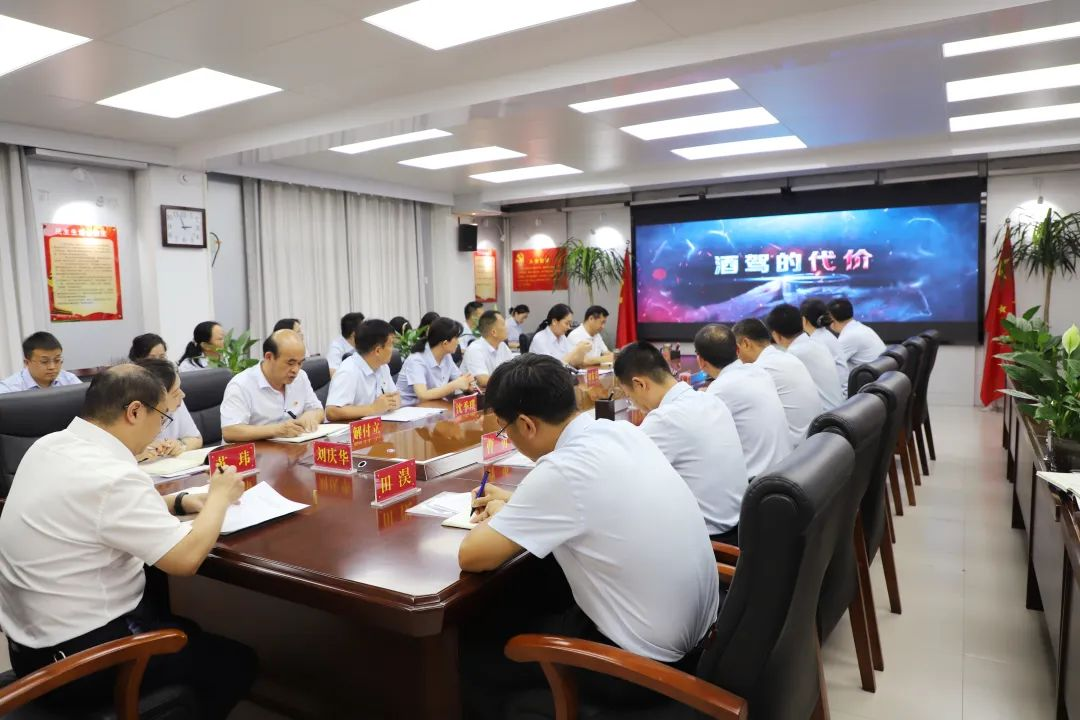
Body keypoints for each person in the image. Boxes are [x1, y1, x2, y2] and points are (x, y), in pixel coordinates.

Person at [458, 355, 718, 717]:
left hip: (642, 668)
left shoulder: (562, 469)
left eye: (506, 430)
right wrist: (516, 507)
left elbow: (472, 555)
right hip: (698, 639)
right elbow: (589, 501)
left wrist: (502, 516)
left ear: (527, 425)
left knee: (472, 654)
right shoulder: (619, 432)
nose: (510, 439)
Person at [0, 364, 255, 719]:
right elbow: (185, 559)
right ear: (135, 411)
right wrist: (219, 497)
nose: (160, 429)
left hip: (29, 651)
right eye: (162, 418)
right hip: (82, 663)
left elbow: (96, 513)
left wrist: (180, 501)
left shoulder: (49, 446)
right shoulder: (113, 475)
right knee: (236, 662)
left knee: (187, 630)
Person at [614, 342, 747, 543]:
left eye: (629, 395)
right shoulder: (710, 400)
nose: (633, 403)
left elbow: (622, 475)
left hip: (711, 540)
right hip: (739, 525)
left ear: (640, 384)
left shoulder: (665, 419)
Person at [693, 324, 792, 479]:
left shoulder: (720, 388)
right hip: (786, 468)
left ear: (700, 361)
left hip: (758, 482)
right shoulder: (759, 372)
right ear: (738, 350)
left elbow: (699, 438)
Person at [732, 318, 822, 448]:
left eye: (737, 349)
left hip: (797, 448)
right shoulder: (787, 356)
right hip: (815, 440)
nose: (737, 356)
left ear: (746, 343)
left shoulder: (761, 368)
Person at [221, 329, 324, 442]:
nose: (296, 370)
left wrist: (311, 416)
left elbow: (318, 410)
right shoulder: (241, 385)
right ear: (269, 357)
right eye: (290, 363)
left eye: (300, 363)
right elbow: (230, 431)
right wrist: (276, 430)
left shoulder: (301, 377)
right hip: (256, 450)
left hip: (293, 448)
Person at [767, 303, 844, 410]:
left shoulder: (792, 355)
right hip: (839, 410)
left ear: (776, 335)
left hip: (825, 417)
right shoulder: (818, 344)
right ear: (802, 322)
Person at [325, 320, 401, 421]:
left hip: (377, 424)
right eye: (391, 344)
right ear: (378, 351)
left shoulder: (383, 367)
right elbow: (332, 411)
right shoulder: (348, 370)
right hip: (349, 429)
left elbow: (396, 396)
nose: (393, 349)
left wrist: (392, 402)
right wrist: (373, 408)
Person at [131, 359, 202, 462]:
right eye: (175, 393)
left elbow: (197, 439)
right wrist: (137, 455)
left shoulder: (177, 404)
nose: (183, 395)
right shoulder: (127, 418)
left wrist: (180, 445)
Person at [395, 317, 474, 406]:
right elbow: (423, 395)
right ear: (445, 343)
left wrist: (467, 384)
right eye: (456, 338)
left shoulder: (446, 356)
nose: (458, 342)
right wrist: (455, 385)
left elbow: (459, 378)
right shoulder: (416, 361)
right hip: (409, 409)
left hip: (434, 406)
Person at [0, 332, 81, 394]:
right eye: (44, 362)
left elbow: (86, 406)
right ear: (27, 363)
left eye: (57, 360)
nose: (52, 367)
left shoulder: (69, 380)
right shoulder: (9, 389)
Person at [800, 298, 849, 393]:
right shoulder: (826, 336)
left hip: (837, 394)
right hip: (842, 392)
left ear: (804, 320)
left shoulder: (815, 342)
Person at [828, 297, 887, 372]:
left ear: (831, 318)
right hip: (880, 374)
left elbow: (829, 365)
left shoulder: (849, 336)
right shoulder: (860, 328)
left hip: (869, 377)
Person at [461, 310, 514, 388]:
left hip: (497, 390)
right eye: (503, 324)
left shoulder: (502, 345)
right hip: (472, 394)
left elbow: (513, 369)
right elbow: (483, 381)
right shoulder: (474, 349)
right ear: (494, 332)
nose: (507, 327)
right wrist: (511, 380)